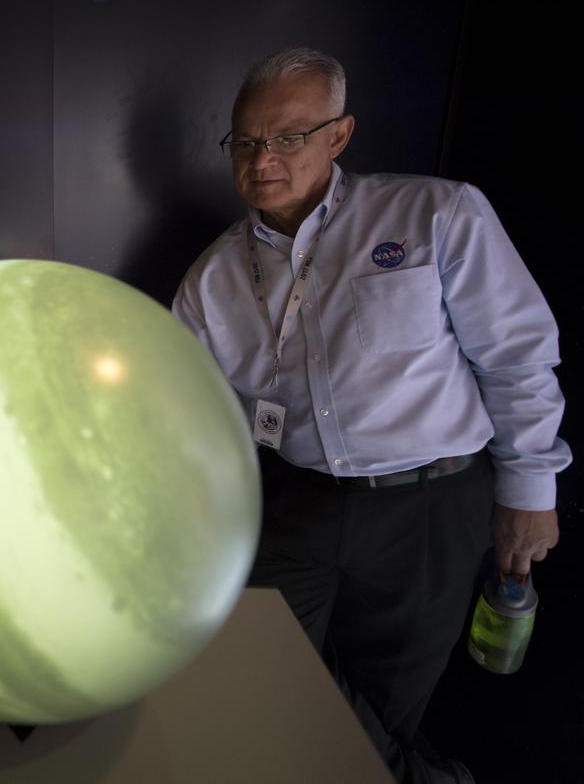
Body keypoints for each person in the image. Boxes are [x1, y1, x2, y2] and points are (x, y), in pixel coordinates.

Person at [171, 48, 570, 783]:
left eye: (289, 135)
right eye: (247, 140)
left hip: (432, 501)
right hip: (306, 498)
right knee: (244, 656)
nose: (264, 158)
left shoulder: (434, 213)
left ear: (339, 134)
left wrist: (529, 489)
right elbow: (179, 410)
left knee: (384, 704)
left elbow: (517, 354)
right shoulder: (211, 279)